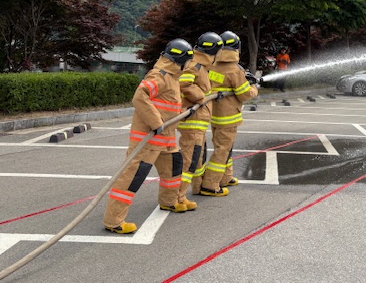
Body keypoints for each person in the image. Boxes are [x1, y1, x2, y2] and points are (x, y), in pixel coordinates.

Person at [102, 38, 194, 234]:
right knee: (132, 178)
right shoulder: (159, 76)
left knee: (173, 170)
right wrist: (156, 122)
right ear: (180, 60)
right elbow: (140, 96)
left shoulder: (173, 78)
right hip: (149, 139)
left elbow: (167, 106)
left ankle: (169, 201)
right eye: (188, 61)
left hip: (167, 138)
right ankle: (114, 221)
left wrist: (183, 113)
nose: (189, 65)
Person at [199, 30, 258, 196]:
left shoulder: (212, 65)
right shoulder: (235, 70)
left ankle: (226, 177)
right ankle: (210, 185)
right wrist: (253, 87)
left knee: (224, 146)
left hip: (214, 115)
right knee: (223, 149)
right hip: (229, 116)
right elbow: (244, 94)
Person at [176, 32, 223, 211]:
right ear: (213, 51)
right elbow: (183, 84)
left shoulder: (202, 67)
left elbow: (203, 85)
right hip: (192, 122)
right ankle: (177, 198)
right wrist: (201, 97)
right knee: (189, 160)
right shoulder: (194, 66)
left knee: (198, 159)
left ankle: (195, 188)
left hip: (198, 123)